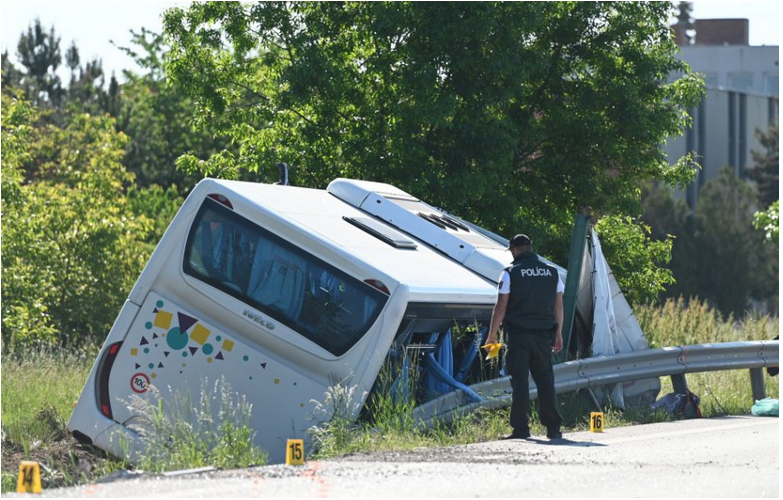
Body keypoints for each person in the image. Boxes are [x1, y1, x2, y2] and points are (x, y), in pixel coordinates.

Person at [486, 234, 565, 440]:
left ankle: (521, 428)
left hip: (519, 334)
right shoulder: (552, 272)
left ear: (515, 249)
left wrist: (492, 335)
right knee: (545, 380)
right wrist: (559, 332)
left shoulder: (510, 273)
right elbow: (558, 305)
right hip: (544, 334)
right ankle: (553, 428)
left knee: (520, 381)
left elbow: (501, 305)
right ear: (530, 247)